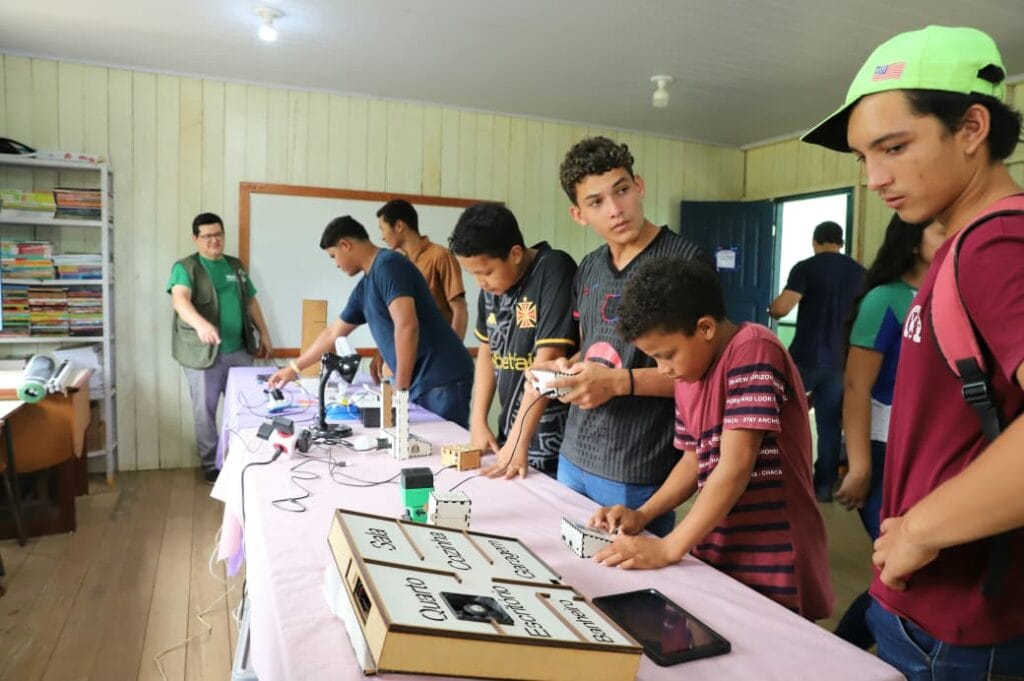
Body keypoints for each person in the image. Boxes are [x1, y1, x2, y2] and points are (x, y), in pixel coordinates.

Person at [803, 25, 1024, 677]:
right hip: (927, 603)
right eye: (862, 157)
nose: (873, 178)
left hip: (963, 623)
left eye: (895, 147)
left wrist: (921, 528)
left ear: (972, 127)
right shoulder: (961, 245)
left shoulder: (997, 245)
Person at [589, 256, 833, 621]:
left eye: (666, 355)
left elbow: (735, 466)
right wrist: (644, 514)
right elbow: (693, 460)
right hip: (721, 534)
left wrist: (670, 547)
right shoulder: (689, 374)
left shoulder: (754, 348)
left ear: (704, 328)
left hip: (774, 546)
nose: (663, 369)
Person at [535, 136, 708, 538]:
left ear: (640, 186)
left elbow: (701, 371)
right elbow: (590, 343)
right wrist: (564, 369)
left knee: (624, 588)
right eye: (596, 202)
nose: (615, 210)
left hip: (638, 464)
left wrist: (618, 382)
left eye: (622, 191)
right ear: (578, 214)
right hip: (574, 453)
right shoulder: (589, 267)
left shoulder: (685, 261)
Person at [833, 216, 945, 648]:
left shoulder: (949, 291)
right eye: (941, 230)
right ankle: (839, 659)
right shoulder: (886, 298)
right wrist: (859, 466)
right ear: (913, 241)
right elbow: (858, 386)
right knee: (900, 569)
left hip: (930, 449)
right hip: (885, 449)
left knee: (917, 567)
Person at [267, 216, 473, 427]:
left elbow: (407, 325)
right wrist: (293, 368)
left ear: (345, 245)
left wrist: (399, 391)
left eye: (333, 256)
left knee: (445, 452)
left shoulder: (389, 266)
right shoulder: (365, 287)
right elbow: (332, 333)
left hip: (441, 377)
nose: (336, 264)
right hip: (423, 381)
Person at [448, 203, 577, 477]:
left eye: (486, 272)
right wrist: (478, 419)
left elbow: (548, 363)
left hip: (551, 441)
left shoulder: (553, 269)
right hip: (512, 434)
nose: (480, 282)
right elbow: (487, 352)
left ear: (515, 253)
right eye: (473, 274)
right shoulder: (493, 288)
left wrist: (519, 439)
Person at [168, 212, 273, 483]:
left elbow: (250, 301)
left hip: (239, 350)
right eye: (207, 236)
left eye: (218, 234)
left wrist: (264, 333)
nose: (214, 240)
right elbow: (180, 300)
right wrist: (201, 325)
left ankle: (245, 459)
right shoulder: (186, 267)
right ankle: (211, 466)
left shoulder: (235, 265)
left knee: (246, 408)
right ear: (195, 239)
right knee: (205, 411)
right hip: (203, 354)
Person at [769, 221, 865, 502]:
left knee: (780, 416)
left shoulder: (806, 268)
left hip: (805, 358)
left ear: (815, 241)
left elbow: (781, 308)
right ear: (841, 243)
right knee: (828, 426)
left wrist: (770, 309)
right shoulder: (860, 274)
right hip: (839, 361)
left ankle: (779, 476)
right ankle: (823, 487)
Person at [377, 198, 468, 340]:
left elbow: (459, 309)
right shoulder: (398, 264)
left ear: (399, 226)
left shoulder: (440, 256)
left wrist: (453, 352)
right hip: (409, 353)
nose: (382, 237)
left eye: (383, 229)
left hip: (438, 351)